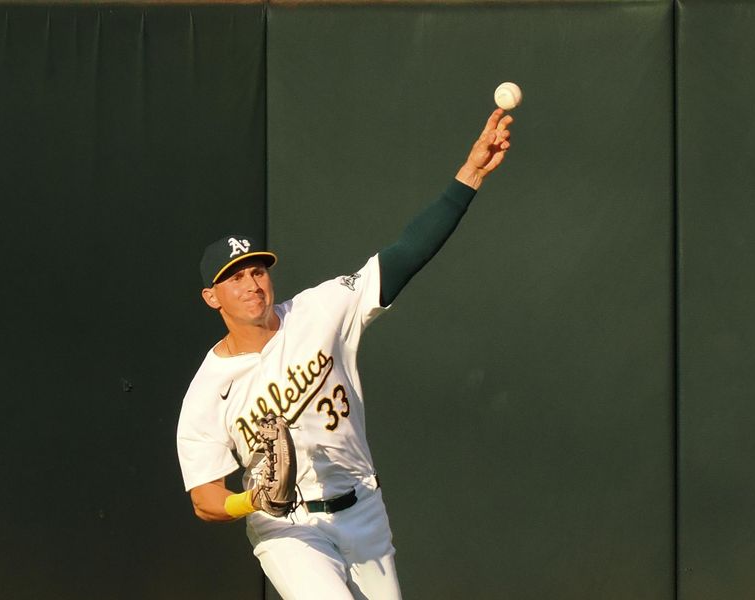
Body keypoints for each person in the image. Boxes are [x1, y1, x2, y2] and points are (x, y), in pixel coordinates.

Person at [176, 109, 514, 599]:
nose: (251, 284)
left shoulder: (320, 310)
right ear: (213, 297)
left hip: (362, 510)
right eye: (235, 277)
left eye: (257, 271)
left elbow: (406, 253)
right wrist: (251, 500)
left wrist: (472, 173)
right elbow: (205, 500)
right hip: (287, 528)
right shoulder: (208, 391)